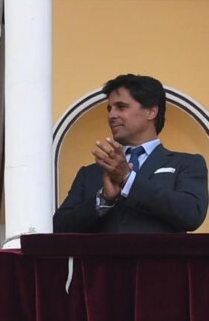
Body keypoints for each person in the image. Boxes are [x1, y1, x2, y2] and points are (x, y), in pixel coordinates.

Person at [54, 73, 207, 233]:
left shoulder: (186, 164)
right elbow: (58, 227)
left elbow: (192, 214)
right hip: (102, 259)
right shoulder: (90, 173)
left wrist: (128, 180)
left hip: (159, 259)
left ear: (151, 112)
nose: (111, 115)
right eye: (109, 108)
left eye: (121, 107)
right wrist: (103, 199)